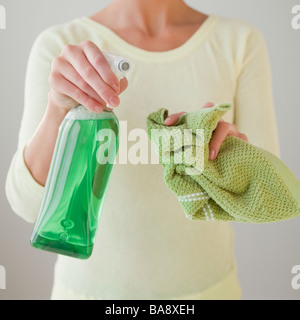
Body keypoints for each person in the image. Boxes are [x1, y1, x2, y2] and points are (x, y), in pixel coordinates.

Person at [5, 0, 280, 300]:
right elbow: (27, 205)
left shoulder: (239, 42)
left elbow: (269, 197)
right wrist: (58, 108)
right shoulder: (61, 48)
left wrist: (225, 155)